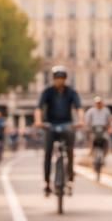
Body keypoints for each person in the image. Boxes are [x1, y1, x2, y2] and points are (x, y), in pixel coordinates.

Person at [35, 67, 81, 196]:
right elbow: (39, 108)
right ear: (53, 79)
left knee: (70, 150)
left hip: (66, 124)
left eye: (61, 78)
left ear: (65, 79)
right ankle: (46, 182)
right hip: (50, 125)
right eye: (57, 78)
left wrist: (81, 121)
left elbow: (79, 107)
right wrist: (38, 121)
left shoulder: (71, 92)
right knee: (48, 152)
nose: (59, 81)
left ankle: (70, 179)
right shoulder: (47, 92)